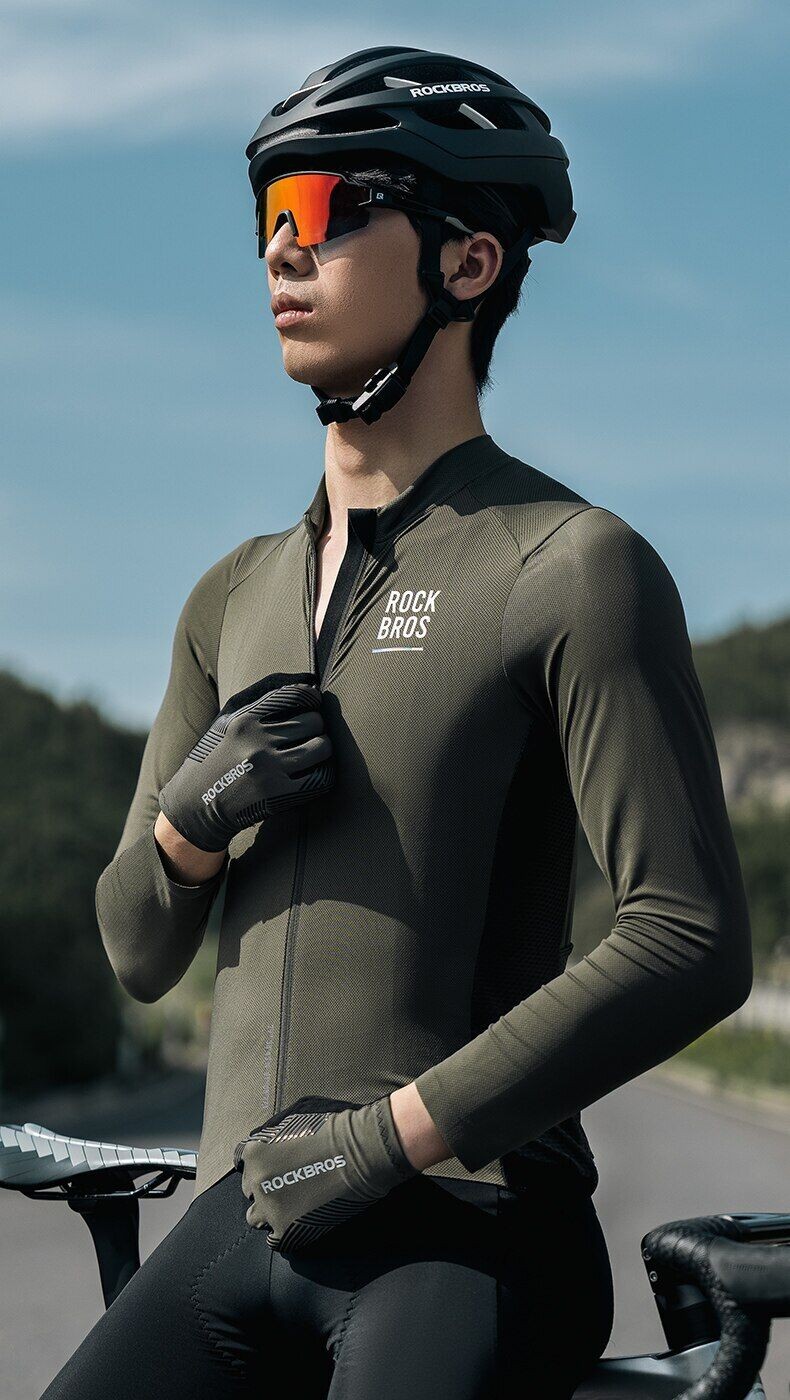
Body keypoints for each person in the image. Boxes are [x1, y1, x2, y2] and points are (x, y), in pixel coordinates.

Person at [43, 45, 753, 1400]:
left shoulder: (567, 563)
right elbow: (136, 949)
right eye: (267, 216)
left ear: (468, 264)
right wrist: (188, 829)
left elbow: (687, 939)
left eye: (325, 207)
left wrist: (386, 1139)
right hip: (238, 1221)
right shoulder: (229, 596)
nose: (281, 250)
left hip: (465, 1225)